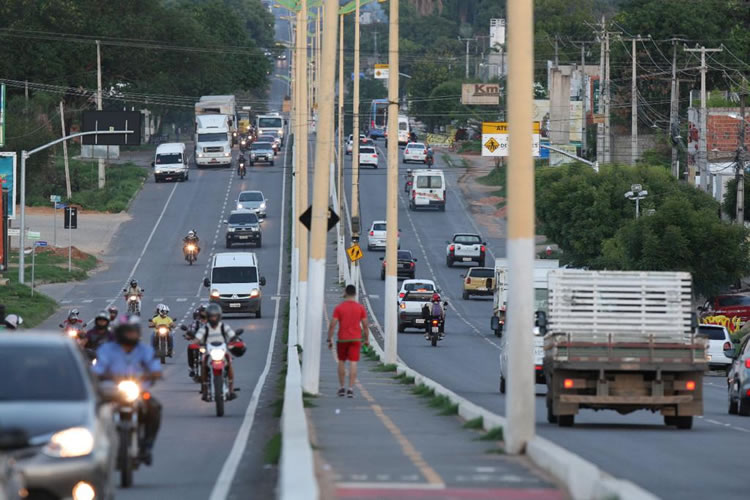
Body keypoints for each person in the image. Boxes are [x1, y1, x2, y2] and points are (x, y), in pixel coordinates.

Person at [93, 315, 162, 464]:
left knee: (155, 408)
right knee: (94, 411)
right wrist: (98, 374)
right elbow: (98, 368)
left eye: (134, 331)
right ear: (119, 332)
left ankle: (147, 446)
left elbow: (154, 366)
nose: (131, 334)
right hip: (112, 392)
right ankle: (96, 446)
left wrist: (155, 373)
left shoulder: (144, 349)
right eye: (127, 331)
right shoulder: (107, 349)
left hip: (138, 392)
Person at [327, 284, 369, 398]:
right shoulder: (360, 308)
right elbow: (365, 325)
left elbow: (332, 325)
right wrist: (367, 340)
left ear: (345, 293)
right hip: (356, 339)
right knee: (353, 363)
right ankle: (350, 389)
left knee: (341, 361)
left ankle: (341, 388)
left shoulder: (339, 308)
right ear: (355, 294)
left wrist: (329, 339)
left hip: (342, 339)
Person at [193, 303, 238, 400]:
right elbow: (197, 339)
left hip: (222, 351)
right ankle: (205, 390)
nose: (213, 318)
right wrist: (195, 343)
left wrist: (236, 341)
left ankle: (231, 389)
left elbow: (233, 336)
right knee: (203, 365)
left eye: (215, 316)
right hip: (209, 352)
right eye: (211, 316)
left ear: (219, 316)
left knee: (229, 363)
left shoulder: (224, 327)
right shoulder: (204, 328)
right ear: (208, 317)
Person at [186, 304, 209, 378]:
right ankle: (191, 368)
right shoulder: (196, 322)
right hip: (198, 343)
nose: (205, 313)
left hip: (210, 344)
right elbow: (190, 330)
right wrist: (188, 335)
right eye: (203, 311)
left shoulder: (214, 322)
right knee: (190, 347)